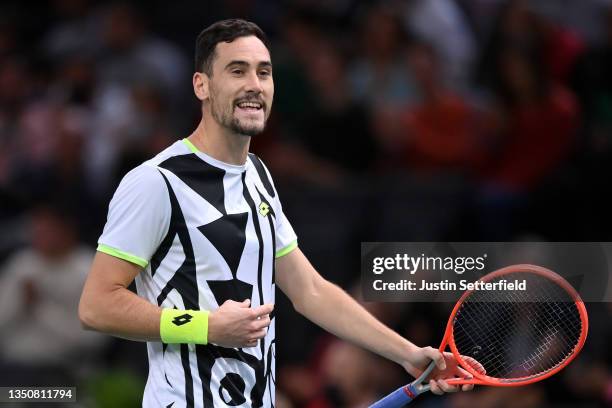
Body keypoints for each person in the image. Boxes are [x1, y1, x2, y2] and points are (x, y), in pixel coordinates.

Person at [79, 19, 475, 408]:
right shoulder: (156, 182)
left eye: (263, 72)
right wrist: (207, 327)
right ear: (202, 85)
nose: (254, 84)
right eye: (237, 70)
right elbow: (97, 305)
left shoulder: (258, 176)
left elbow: (311, 291)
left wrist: (407, 354)